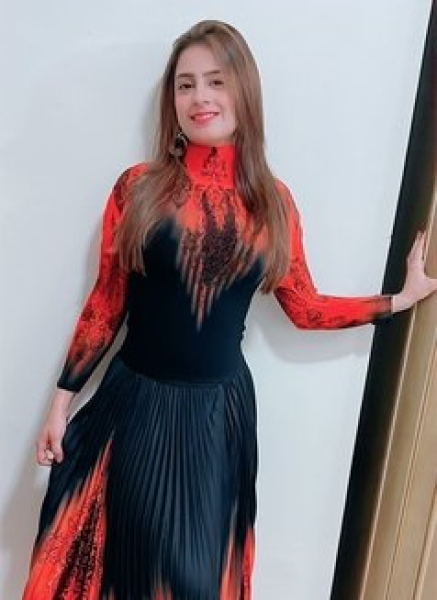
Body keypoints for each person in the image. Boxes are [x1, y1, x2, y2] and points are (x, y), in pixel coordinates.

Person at [22, 19, 437, 600]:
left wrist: (396, 300)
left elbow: (305, 307)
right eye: (186, 84)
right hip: (136, 405)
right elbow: (107, 300)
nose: (201, 97)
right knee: (127, 564)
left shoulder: (272, 203)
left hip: (216, 418)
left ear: (244, 92)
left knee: (195, 580)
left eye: (216, 81)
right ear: (172, 101)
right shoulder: (137, 188)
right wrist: (61, 402)